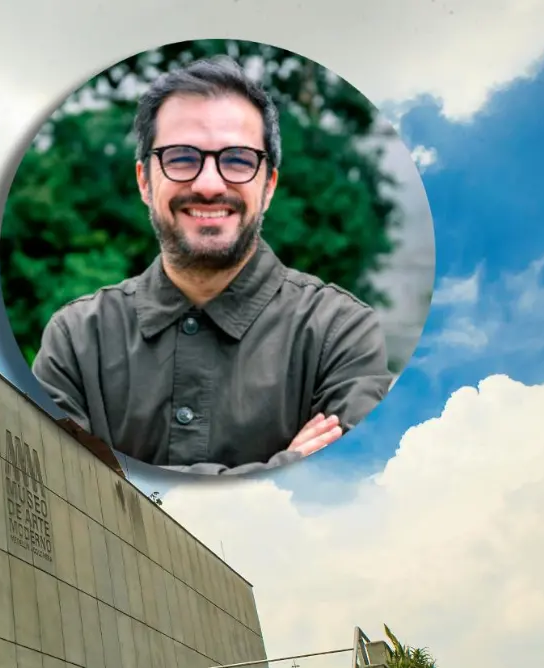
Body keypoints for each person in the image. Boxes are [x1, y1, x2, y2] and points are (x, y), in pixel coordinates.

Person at [32, 56, 392, 476]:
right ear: (145, 181)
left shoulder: (341, 333)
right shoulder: (75, 342)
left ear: (269, 185)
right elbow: (60, 492)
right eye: (182, 158)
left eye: (238, 159)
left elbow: (342, 485)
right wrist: (284, 467)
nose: (208, 184)